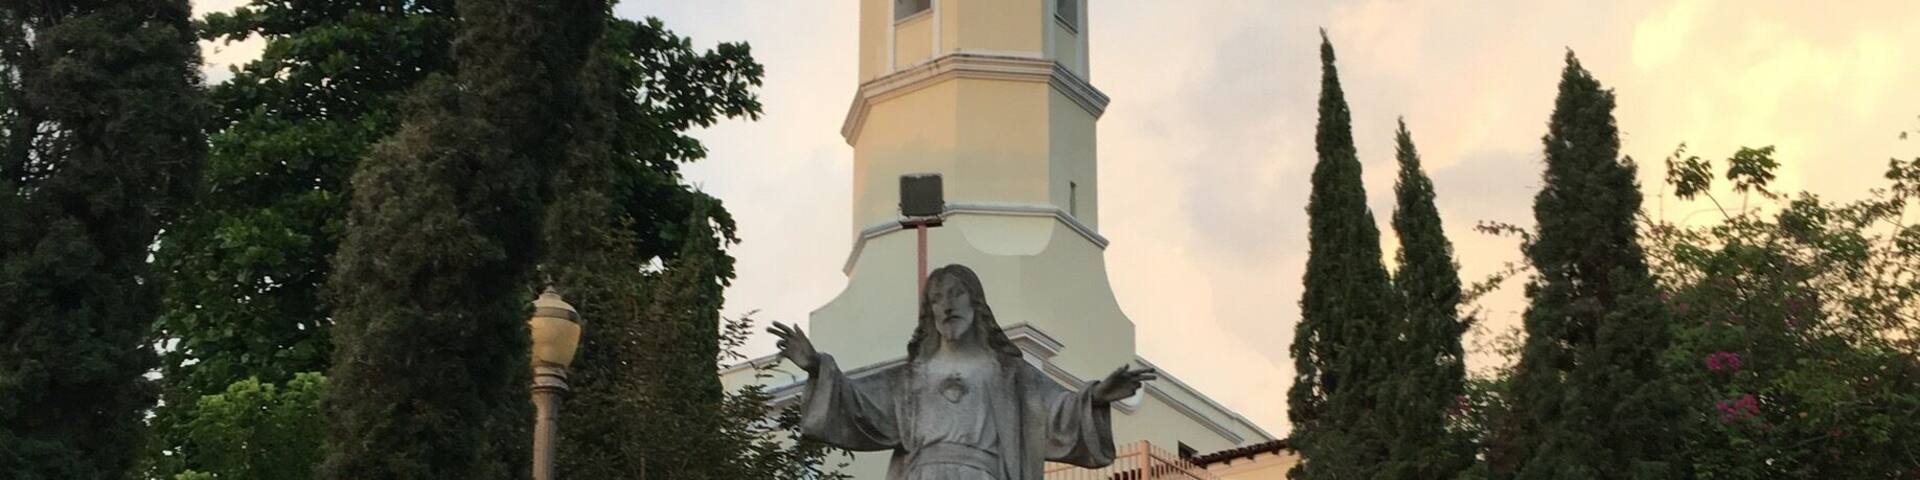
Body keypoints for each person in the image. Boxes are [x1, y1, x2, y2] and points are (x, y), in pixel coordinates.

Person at [768, 264, 1156, 480]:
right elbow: (859, 406)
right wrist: (817, 366)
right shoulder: (912, 377)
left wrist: (1096, 397)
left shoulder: (1008, 373)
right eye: (937, 298)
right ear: (929, 311)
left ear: (975, 302)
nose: (946, 305)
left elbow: (1055, 412)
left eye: (955, 294)